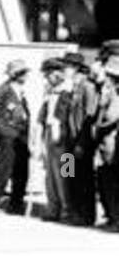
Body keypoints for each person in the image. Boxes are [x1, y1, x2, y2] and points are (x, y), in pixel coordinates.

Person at [0, 59, 32, 214]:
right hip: (10, 138)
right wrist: (6, 133)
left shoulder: (20, 91)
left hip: (22, 137)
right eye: (22, 72)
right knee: (4, 169)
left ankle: (16, 203)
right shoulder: (3, 91)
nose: (26, 75)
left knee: (21, 171)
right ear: (14, 74)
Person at [36, 57, 74, 222]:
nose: (47, 78)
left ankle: (68, 209)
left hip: (66, 139)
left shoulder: (68, 91)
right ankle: (53, 208)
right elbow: (43, 116)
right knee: (50, 174)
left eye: (48, 74)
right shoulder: (50, 92)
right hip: (50, 135)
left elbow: (65, 118)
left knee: (66, 175)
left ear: (57, 73)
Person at [69, 49, 102, 226]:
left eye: (68, 66)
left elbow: (89, 117)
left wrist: (82, 142)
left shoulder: (87, 87)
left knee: (83, 178)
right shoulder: (72, 87)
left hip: (80, 142)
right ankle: (72, 210)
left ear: (76, 68)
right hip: (69, 142)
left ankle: (86, 214)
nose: (65, 70)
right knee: (69, 175)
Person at [95, 56, 119, 229]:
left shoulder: (89, 89)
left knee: (71, 176)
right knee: (66, 177)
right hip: (70, 145)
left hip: (107, 145)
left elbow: (109, 117)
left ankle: (77, 210)